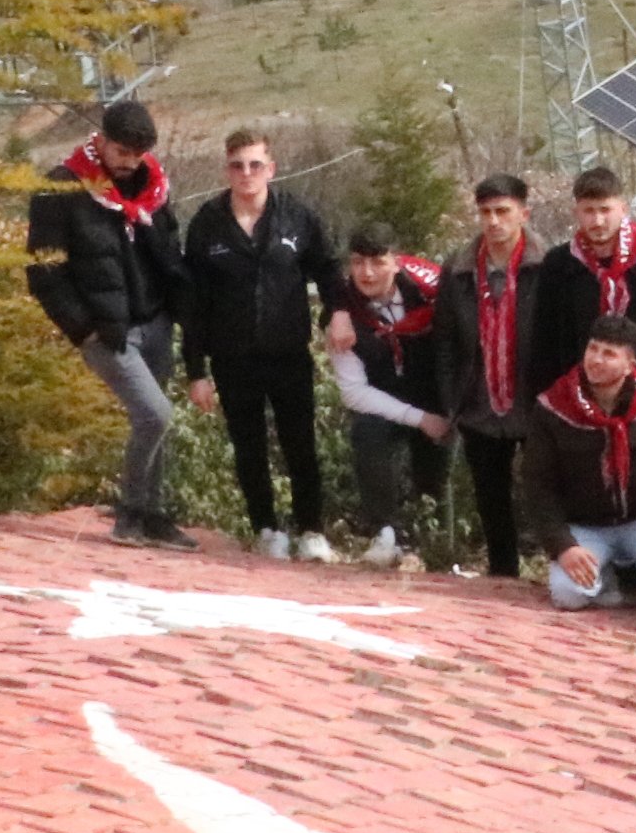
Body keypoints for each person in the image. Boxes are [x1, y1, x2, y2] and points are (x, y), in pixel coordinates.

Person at [26, 98, 195, 550]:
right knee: (155, 413)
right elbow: (43, 270)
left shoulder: (153, 187)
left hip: (154, 319)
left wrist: (179, 306)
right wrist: (82, 328)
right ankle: (129, 515)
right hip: (106, 328)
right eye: (121, 152)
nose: (129, 163)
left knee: (154, 420)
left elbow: (169, 248)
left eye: (138, 155)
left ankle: (153, 515)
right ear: (101, 141)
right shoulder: (61, 187)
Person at [179, 129, 336, 558]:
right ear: (226, 169)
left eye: (254, 164)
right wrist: (196, 371)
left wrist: (336, 315)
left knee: (300, 442)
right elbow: (192, 302)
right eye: (237, 165)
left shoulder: (296, 217)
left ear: (271, 168)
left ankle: (311, 530)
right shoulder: (207, 224)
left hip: (288, 353)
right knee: (249, 446)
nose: (246, 173)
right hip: (233, 358)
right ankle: (266, 529)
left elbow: (329, 270)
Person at [524, 314, 636, 609]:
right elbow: (537, 484)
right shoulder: (553, 407)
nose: (597, 360)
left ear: (630, 365)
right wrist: (563, 546)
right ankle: (602, 573)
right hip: (584, 525)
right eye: (593, 349)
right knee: (568, 596)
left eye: (609, 354)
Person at [325, 223, 447, 570]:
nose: (367, 273)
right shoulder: (341, 312)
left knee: (435, 464)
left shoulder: (430, 290)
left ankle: (430, 543)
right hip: (383, 399)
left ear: (397, 262)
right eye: (358, 262)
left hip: (432, 394)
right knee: (368, 433)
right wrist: (419, 418)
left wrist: (445, 410)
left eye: (377, 262)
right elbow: (353, 392)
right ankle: (384, 532)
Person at [436, 174, 538, 579]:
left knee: (546, 489)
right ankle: (502, 574)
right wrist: (450, 400)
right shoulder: (459, 268)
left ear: (523, 214)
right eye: (485, 213)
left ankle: (564, 568)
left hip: (531, 397)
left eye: (503, 211)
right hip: (478, 399)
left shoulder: (547, 264)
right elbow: (444, 339)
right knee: (489, 494)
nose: (493, 221)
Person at [532, 165, 636, 404]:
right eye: (589, 211)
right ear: (577, 212)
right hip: (577, 395)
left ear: (623, 209)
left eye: (606, 210)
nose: (598, 220)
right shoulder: (560, 264)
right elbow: (545, 338)